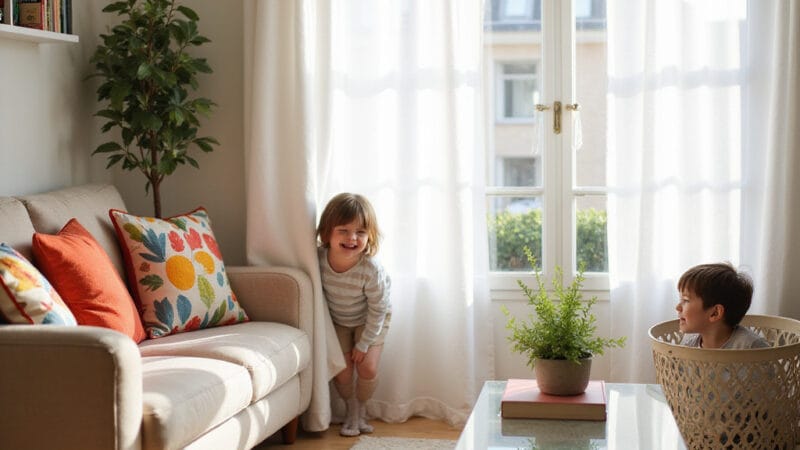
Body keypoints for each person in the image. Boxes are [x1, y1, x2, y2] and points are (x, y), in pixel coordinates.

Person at [316, 193, 391, 437]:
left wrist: (364, 342)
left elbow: (378, 309)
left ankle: (362, 408)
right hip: (339, 320)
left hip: (370, 319)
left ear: (369, 236)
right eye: (343, 231)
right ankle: (350, 410)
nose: (352, 238)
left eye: (360, 232)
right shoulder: (317, 260)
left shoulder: (370, 270)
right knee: (343, 370)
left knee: (367, 368)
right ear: (327, 233)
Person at [675, 262, 769, 349]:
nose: (678, 307)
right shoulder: (688, 342)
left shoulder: (752, 347)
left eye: (686, 300)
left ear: (715, 313)